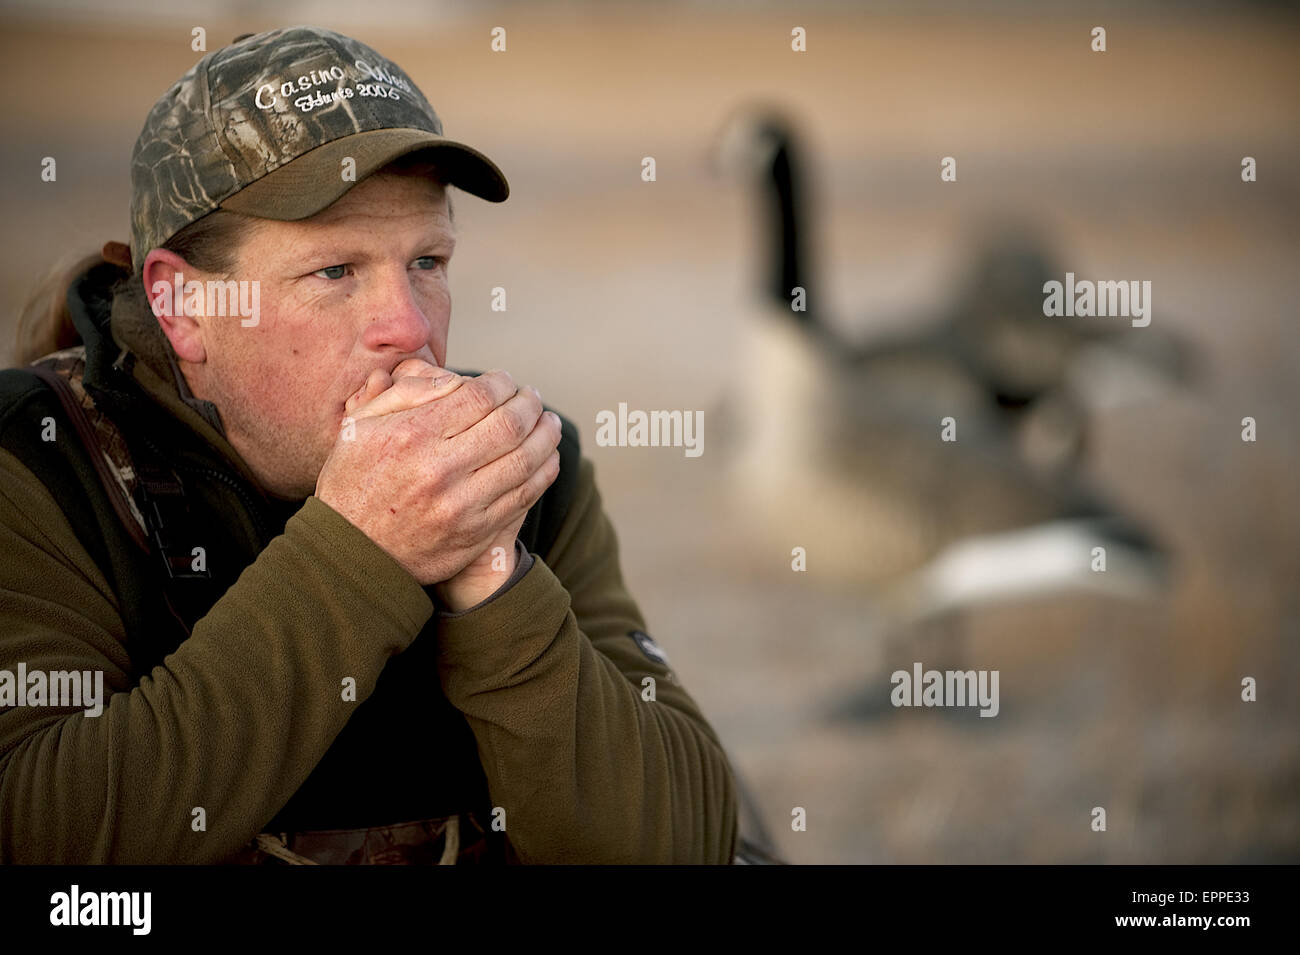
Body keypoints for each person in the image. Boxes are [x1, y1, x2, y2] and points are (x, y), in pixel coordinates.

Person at [0, 25, 739, 864]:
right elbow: (38, 829)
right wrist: (360, 551)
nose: (412, 329)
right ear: (182, 307)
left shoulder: (519, 468)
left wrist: (494, 581)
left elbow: (691, 840)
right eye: (334, 272)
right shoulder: (42, 461)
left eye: (427, 260)